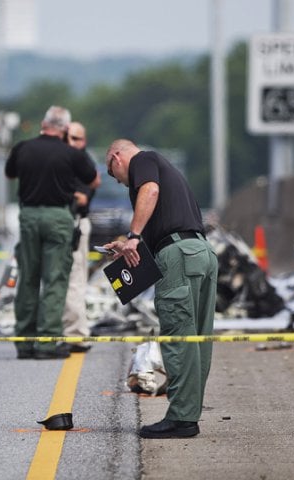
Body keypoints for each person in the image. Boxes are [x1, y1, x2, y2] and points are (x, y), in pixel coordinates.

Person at [103, 139, 218, 438]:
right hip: (201, 253)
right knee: (197, 339)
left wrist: (133, 235)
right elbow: (164, 220)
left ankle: (181, 419)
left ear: (117, 157)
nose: (115, 179)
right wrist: (130, 246)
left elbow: (149, 190)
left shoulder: (143, 160)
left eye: (111, 171)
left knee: (178, 337)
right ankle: (188, 414)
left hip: (179, 256)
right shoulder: (166, 171)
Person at [5, 106, 100, 360]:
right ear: (65, 128)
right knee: (55, 279)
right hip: (59, 216)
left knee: (28, 278)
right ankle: (47, 343)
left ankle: (24, 343)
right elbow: (92, 178)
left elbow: (10, 173)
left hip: (28, 215)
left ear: (43, 124)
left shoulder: (23, 148)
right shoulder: (70, 153)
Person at [62, 122, 95, 353]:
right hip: (60, 223)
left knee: (75, 279)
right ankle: (64, 330)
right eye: (68, 138)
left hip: (75, 223)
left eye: (77, 138)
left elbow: (83, 197)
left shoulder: (83, 162)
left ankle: (76, 333)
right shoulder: (62, 160)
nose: (72, 143)